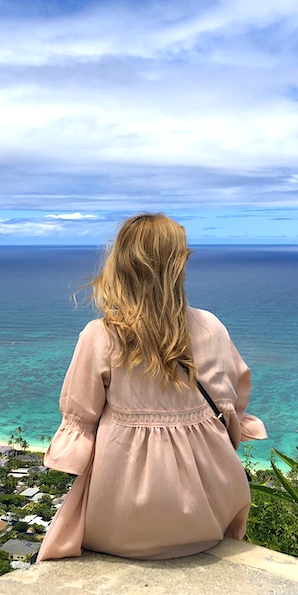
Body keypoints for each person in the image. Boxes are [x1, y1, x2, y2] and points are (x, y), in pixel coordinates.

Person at [37, 213, 267, 561]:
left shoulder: (102, 336)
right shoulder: (212, 327)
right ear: (179, 266)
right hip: (208, 518)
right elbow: (230, 408)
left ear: (120, 266)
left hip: (121, 525)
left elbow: (79, 417)